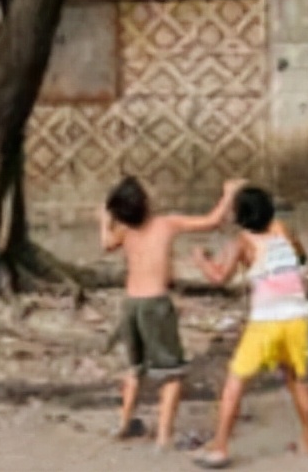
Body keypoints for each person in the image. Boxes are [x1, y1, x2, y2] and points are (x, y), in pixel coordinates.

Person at [100, 176, 246, 451]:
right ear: (146, 202)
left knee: (135, 369)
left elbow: (106, 243)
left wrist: (105, 220)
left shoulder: (125, 231)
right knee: (172, 373)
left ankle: (123, 423)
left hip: (131, 304)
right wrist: (228, 193)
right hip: (156, 304)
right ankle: (164, 437)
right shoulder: (166, 224)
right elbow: (212, 221)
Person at [189, 186, 308, 469]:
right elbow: (301, 258)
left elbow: (219, 277)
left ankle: (219, 446)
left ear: (240, 217)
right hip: (297, 315)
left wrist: (201, 260)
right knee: (297, 378)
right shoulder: (283, 229)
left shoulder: (242, 242)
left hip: (266, 321)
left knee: (236, 380)